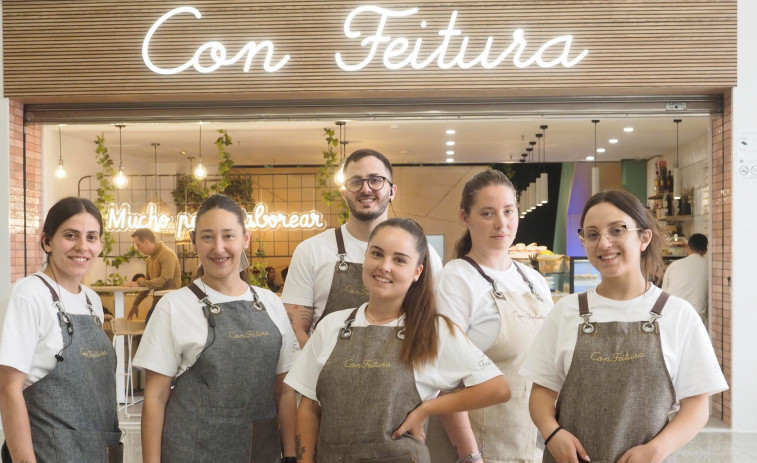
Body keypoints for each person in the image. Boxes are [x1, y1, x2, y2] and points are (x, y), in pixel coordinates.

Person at [520, 190, 728, 463]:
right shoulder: (567, 312)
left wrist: (656, 450)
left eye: (617, 230)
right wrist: (552, 433)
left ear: (644, 238)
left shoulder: (677, 314)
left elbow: (697, 405)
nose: (604, 244)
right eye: (592, 234)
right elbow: (541, 393)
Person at [285, 218, 510, 462]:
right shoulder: (331, 326)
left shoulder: (432, 330)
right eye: (377, 254)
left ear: (417, 272)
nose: (384, 266)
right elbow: (308, 406)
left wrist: (427, 408)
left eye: (399, 260)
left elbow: (497, 388)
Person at [133, 194, 299, 462]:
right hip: (192, 450)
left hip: (259, 451)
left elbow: (284, 390)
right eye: (208, 237)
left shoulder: (270, 303)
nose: (218, 248)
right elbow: (155, 396)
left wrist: (290, 454)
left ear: (245, 239)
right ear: (193, 239)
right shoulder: (174, 306)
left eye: (228, 236)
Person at [428, 170, 553, 463]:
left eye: (509, 211)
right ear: (465, 218)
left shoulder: (534, 280)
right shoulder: (456, 278)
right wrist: (470, 455)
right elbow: (445, 382)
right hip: (477, 449)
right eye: (487, 213)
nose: (502, 223)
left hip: (528, 445)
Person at [0, 197, 121, 462]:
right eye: (70, 235)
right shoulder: (29, 294)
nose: (82, 247)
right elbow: (9, 388)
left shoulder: (92, 301)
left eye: (92, 237)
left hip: (95, 453)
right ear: (47, 241)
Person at [282, 148, 443, 347]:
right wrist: (318, 372)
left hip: (402, 370)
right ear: (344, 193)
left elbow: (433, 322)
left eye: (376, 180)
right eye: (355, 181)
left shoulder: (423, 253)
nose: (366, 189)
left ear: (392, 191)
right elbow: (294, 330)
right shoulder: (311, 251)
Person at [125, 228, 181, 323]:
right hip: (158, 302)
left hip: (170, 304)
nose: (137, 248)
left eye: (138, 245)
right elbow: (147, 284)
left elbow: (165, 280)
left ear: (146, 242)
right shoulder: (150, 259)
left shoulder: (167, 254)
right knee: (149, 328)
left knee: (151, 329)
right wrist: (135, 304)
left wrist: (140, 283)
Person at [662, 233, 709, 324]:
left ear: (687, 247)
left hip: (672, 315)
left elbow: (664, 293)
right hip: (696, 318)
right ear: (705, 251)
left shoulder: (674, 265)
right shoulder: (709, 268)